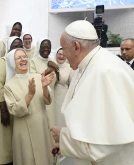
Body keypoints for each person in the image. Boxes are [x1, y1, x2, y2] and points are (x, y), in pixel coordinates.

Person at [50, 20, 134, 165]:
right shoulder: (86, 65)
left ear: (76, 47)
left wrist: (64, 138)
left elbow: (106, 144)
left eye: (63, 48)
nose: (62, 53)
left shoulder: (105, 71)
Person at [4, 48, 54, 165]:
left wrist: (45, 87)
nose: (23, 59)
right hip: (23, 131)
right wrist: (30, 94)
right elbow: (14, 110)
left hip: (41, 128)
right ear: (12, 62)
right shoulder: (9, 85)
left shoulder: (38, 77)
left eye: (24, 56)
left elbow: (48, 101)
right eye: (18, 58)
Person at [0, 36, 23, 165]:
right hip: (6, 106)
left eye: (20, 46)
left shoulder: (23, 60)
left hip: (20, 105)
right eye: (14, 46)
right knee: (6, 138)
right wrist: (3, 110)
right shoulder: (2, 61)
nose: (17, 49)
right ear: (9, 47)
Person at [30, 38, 58, 128]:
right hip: (39, 98)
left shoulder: (52, 61)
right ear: (39, 48)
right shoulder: (33, 61)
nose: (46, 49)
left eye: (48, 47)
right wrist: (47, 71)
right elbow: (33, 78)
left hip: (51, 97)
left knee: (51, 125)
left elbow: (57, 80)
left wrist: (57, 69)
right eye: (44, 47)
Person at [54, 46, 73, 127]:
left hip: (64, 96)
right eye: (59, 54)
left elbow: (71, 85)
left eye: (63, 54)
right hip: (52, 95)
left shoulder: (70, 68)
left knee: (61, 118)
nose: (61, 56)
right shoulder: (51, 65)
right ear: (56, 55)